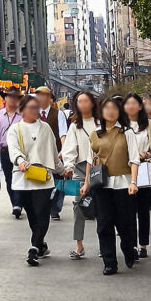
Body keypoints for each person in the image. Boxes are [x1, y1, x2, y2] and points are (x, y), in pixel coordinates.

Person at [81, 96, 140, 276]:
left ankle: (129, 250)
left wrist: (133, 182)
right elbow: (90, 161)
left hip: (123, 184)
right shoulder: (95, 133)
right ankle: (109, 262)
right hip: (102, 185)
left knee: (125, 224)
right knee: (104, 224)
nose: (110, 111)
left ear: (119, 111)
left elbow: (134, 159)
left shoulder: (126, 132)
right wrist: (86, 183)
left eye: (114, 108)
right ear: (101, 111)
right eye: (106, 108)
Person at [7, 94, 64, 266]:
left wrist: (62, 170)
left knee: (42, 212)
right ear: (22, 110)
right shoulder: (15, 129)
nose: (35, 110)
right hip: (23, 178)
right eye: (31, 107)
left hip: (43, 178)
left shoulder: (45, 128)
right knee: (32, 214)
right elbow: (13, 150)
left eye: (36, 107)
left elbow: (53, 153)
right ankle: (40, 244)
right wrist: (20, 161)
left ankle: (33, 248)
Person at [123, 92, 151, 258]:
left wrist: (146, 154)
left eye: (134, 103)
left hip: (143, 169)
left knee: (143, 209)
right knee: (127, 210)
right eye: (128, 103)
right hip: (125, 171)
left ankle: (143, 245)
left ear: (140, 106)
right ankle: (131, 244)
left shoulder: (150, 125)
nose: (131, 107)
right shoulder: (120, 125)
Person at [61, 91, 99, 260]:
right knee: (78, 205)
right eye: (79, 101)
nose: (83, 104)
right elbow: (70, 149)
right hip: (80, 168)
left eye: (86, 101)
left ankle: (103, 244)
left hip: (99, 169)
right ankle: (79, 244)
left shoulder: (101, 123)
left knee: (101, 206)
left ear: (92, 103)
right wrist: (69, 166)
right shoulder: (75, 126)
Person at [33, 86, 69, 221]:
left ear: (49, 98)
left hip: (55, 153)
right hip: (38, 155)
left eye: (43, 95)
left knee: (58, 181)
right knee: (41, 182)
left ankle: (55, 208)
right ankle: (42, 206)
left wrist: (63, 150)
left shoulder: (58, 114)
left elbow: (63, 133)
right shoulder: (33, 113)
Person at [0, 89, 24, 218]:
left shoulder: (23, 116)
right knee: (9, 178)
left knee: (20, 176)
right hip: (5, 151)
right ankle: (15, 203)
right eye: (10, 97)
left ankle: (18, 203)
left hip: (20, 152)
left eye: (15, 97)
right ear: (5, 98)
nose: (12, 100)